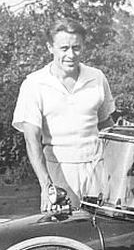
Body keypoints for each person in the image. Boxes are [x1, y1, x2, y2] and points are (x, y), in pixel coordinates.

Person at [12, 18, 115, 211]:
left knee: (103, 232)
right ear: (50, 47)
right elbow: (31, 139)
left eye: (76, 48)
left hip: (97, 169)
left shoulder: (97, 77)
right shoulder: (34, 84)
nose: (71, 55)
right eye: (64, 48)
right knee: (64, 233)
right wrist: (46, 185)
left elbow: (106, 126)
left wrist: (117, 169)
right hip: (59, 171)